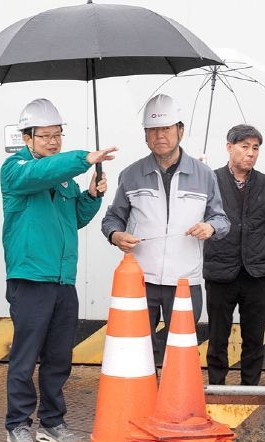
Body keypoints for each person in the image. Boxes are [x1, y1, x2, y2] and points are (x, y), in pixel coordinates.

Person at [2, 98, 116, 442]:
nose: (53, 142)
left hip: (63, 279)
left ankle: (52, 423)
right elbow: (40, 174)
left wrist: (91, 196)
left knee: (58, 357)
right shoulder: (15, 169)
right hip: (30, 278)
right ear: (27, 138)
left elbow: (74, 219)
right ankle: (18, 425)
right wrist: (84, 158)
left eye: (58, 135)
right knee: (25, 357)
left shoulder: (64, 179)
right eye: (45, 136)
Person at [102, 94, 230, 362]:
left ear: (180, 131)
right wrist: (115, 235)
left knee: (181, 353)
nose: (160, 135)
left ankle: (175, 392)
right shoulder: (131, 174)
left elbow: (221, 219)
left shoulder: (204, 175)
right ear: (145, 135)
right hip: (140, 280)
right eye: (153, 130)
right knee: (136, 352)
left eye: (166, 128)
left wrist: (210, 227)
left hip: (185, 281)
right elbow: (112, 218)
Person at [203, 125, 265, 386]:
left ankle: (250, 387)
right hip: (220, 271)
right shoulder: (210, 181)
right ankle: (216, 386)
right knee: (218, 335)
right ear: (229, 148)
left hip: (258, 274)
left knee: (254, 337)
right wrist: (194, 174)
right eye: (244, 147)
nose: (251, 153)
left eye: (255, 148)